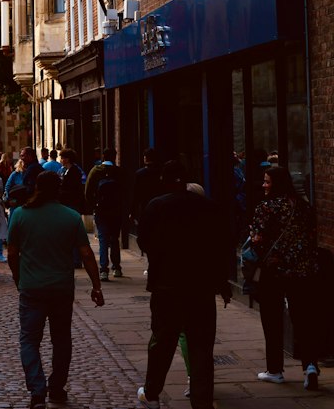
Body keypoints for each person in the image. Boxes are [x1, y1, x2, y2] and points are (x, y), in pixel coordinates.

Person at [135, 160, 231, 409]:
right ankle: (202, 401)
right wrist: (222, 282)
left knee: (162, 342)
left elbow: (143, 241)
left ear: (164, 181)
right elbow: (222, 247)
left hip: (166, 286)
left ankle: (152, 393)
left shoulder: (156, 206)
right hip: (200, 288)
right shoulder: (209, 207)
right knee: (201, 346)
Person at [7, 168, 104, 408]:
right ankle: (57, 387)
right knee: (61, 340)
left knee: (29, 340)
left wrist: (18, 277)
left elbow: (12, 253)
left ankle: (37, 391)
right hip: (61, 287)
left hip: (32, 287)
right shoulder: (70, 217)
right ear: (58, 190)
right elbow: (86, 254)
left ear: (36, 188)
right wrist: (96, 286)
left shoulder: (19, 215)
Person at [248, 163, 321, 391]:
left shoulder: (267, 207)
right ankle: (310, 366)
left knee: (272, 320)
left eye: (267, 181)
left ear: (276, 184)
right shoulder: (303, 207)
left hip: (274, 273)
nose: (264, 185)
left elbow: (257, 240)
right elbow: (311, 236)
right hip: (303, 271)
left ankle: (275, 370)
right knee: (304, 319)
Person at [86, 148, 124, 279]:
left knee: (103, 239)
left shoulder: (95, 171)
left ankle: (103, 269)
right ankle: (117, 268)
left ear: (103, 157)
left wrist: (94, 206)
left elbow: (88, 191)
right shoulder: (119, 172)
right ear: (114, 157)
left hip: (101, 210)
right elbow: (126, 191)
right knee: (114, 239)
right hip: (116, 210)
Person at [131, 148, 162, 248]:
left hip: (145, 207)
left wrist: (133, 211)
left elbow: (136, 194)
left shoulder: (140, 173)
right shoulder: (161, 172)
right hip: (160, 207)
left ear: (145, 158)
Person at [57, 147, 87, 216]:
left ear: (67, 159)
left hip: (72, 202)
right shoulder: (65, 170)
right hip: (68, 202)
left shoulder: (74, 171)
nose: (61, 160)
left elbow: (72, 188)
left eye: (62, 158)